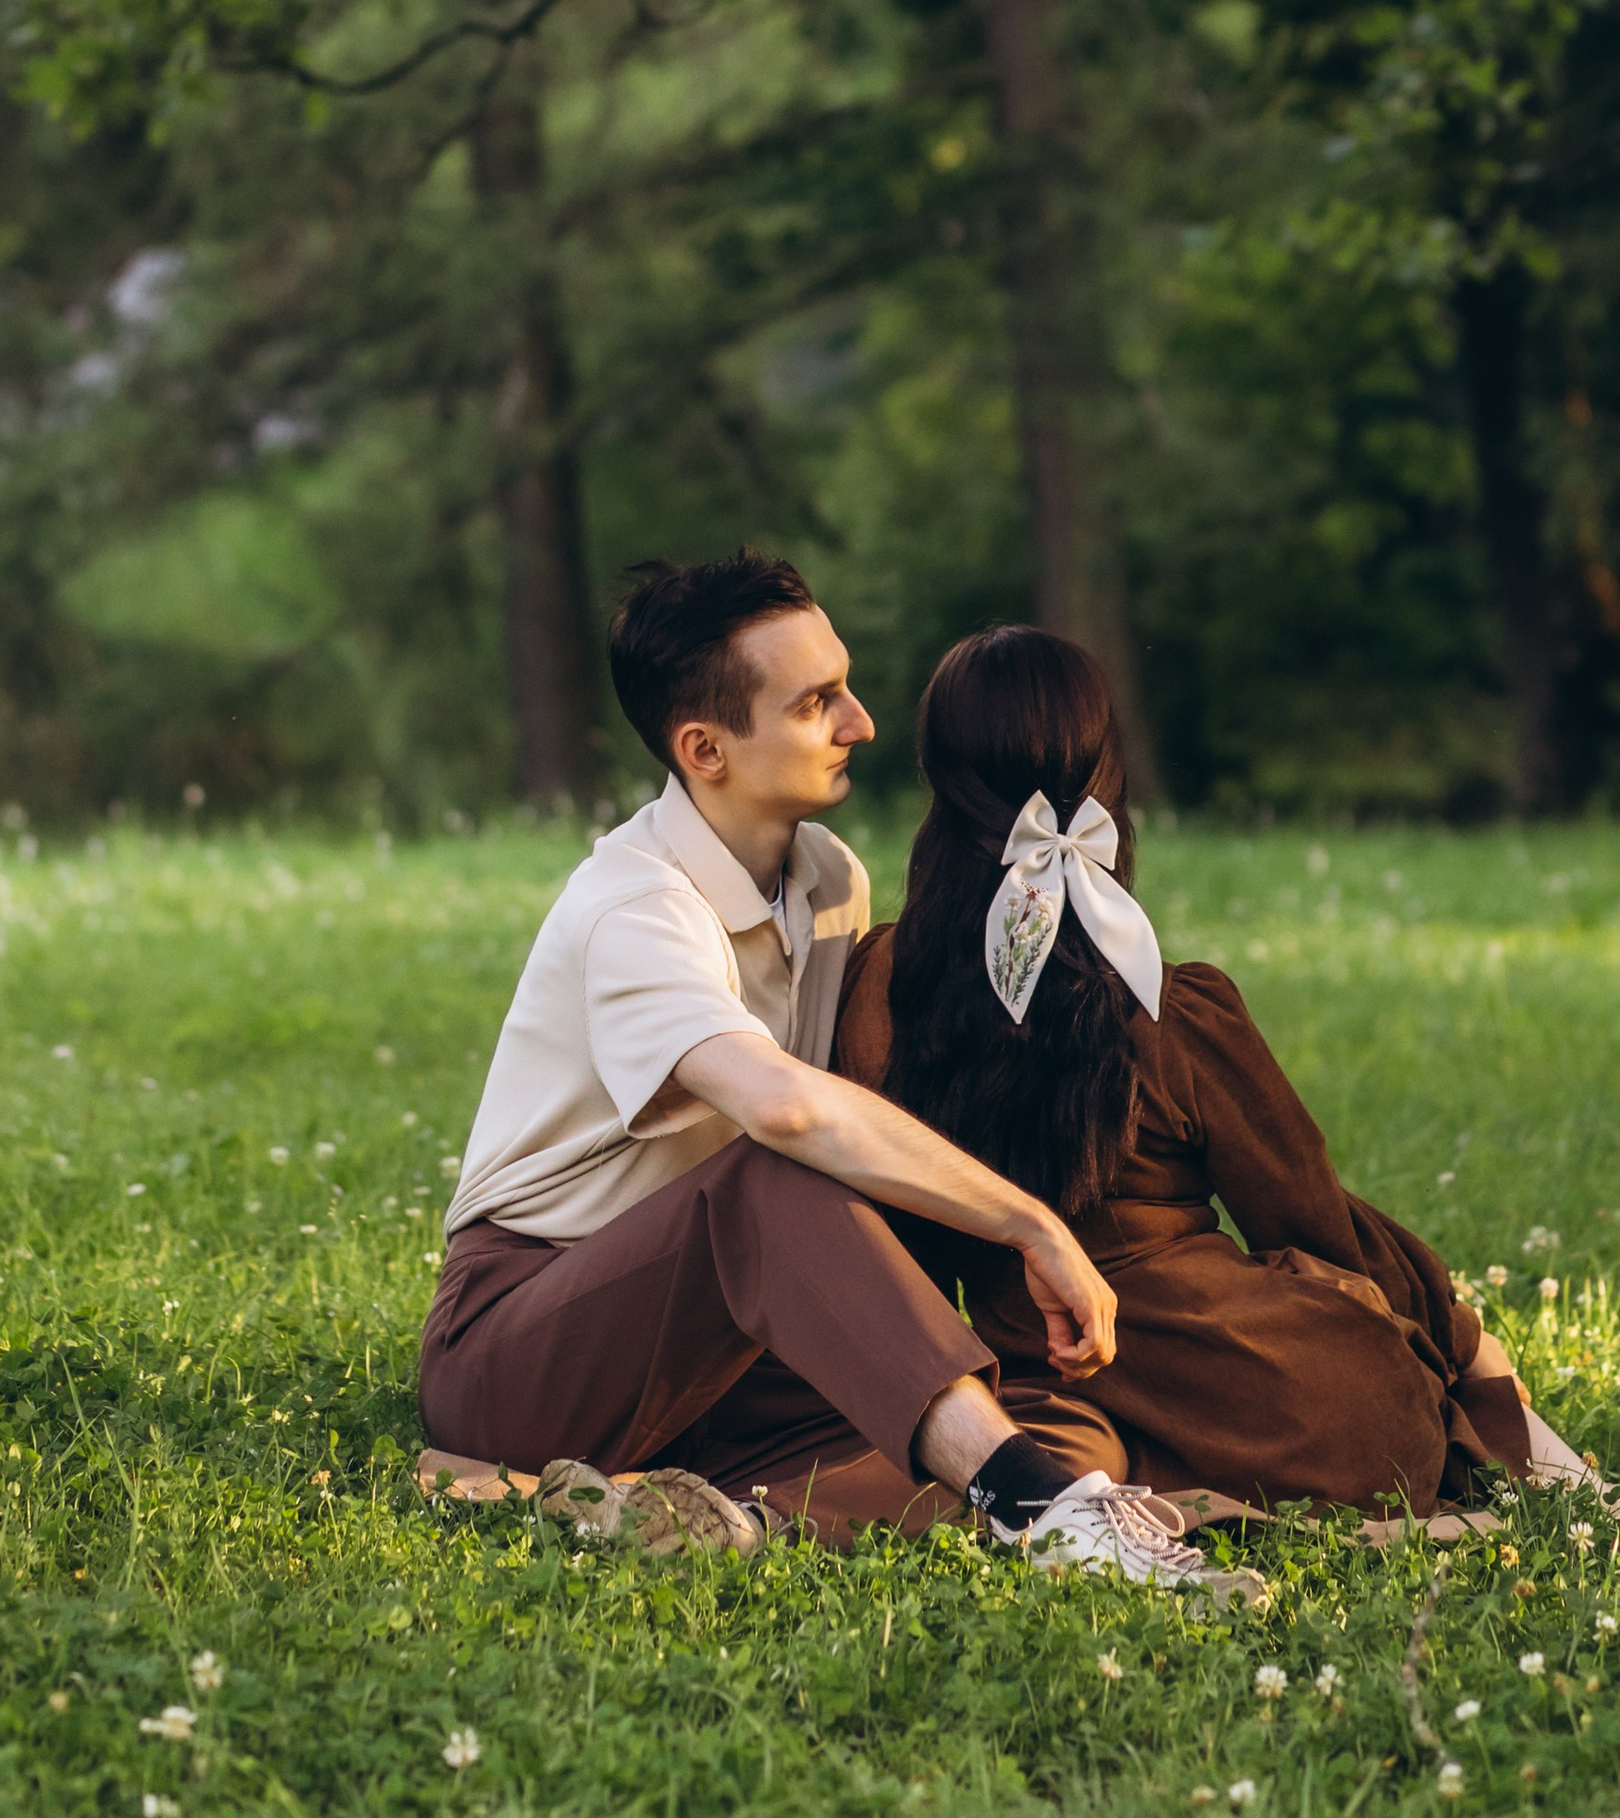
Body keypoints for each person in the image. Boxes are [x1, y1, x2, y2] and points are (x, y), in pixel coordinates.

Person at [418, 550, 1259, 1594]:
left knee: (1047, 1417)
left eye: (846, 685)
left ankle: (736, 1522)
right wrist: (1028, 1222)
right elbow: (783, 1109)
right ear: (705, 747)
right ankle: (1048, 1520)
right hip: (528, 1339)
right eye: (818, 702)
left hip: (720, 1336)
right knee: (772, 1172)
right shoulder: (634, 907)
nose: (860, 721)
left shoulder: (829, 882)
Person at [833, 623, 1550, 1519]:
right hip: (1250, 1387)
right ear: (1107, 776)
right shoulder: (1168, 1012)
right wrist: (1449, 1322)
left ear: (940, 785)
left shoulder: (877, 990)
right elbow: (1312, 1216)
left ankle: (769, 1514)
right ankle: (1540, 1457)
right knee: (1372, 1375)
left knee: (1021, 1457)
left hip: (1026, 1370)